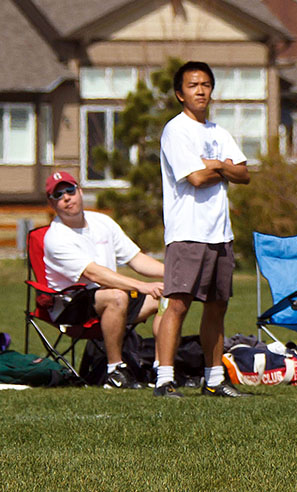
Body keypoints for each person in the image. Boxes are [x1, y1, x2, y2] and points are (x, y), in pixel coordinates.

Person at [155, 61, 251, 398]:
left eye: (206, 85)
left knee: (217, 306)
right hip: (187, 232)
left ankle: (213, 380)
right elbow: (194, 178)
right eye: (193, 85)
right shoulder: (175, 130)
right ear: (180, 93)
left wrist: (217, 165)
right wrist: (222, 169)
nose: (201, 91)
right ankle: (164, 379)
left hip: (220, 233)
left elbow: (244, 173)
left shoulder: (218, 132)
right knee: (178, 304)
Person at [42, 171, 165, 389]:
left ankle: (161, 368)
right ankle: (115, 371)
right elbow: (94, 274)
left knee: (169, 294)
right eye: (58, 195)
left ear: (80, 191)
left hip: (107, 296)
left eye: (70, 190)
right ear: (52, 203)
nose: (66, 197)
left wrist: (176, 276)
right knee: (116, 297)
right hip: (71, 304)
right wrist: (141, 286)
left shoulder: (102, 222)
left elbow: (136, 259)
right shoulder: (55, 237)